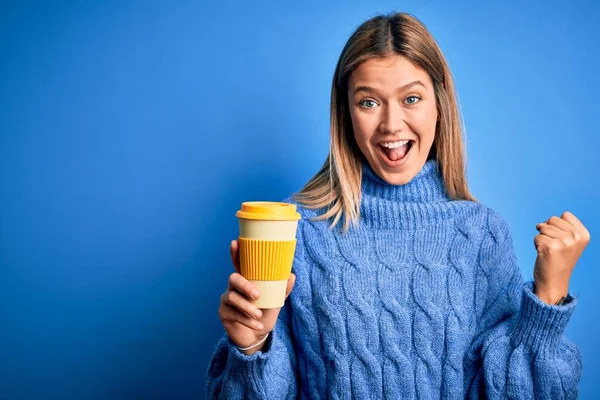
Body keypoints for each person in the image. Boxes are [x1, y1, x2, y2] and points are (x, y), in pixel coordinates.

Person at [206, 11, 590, 399]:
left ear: (438, 103)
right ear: (346, 113)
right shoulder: (298, 230)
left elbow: (509, 392)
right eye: (369, 102)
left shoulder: (481, 234)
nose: (391, 124)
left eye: (411, 98)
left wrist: (549, 294)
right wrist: (251, 347)